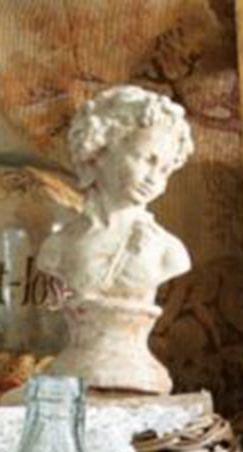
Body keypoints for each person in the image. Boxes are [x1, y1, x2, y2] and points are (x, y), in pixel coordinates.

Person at [38, 85, 194, 303]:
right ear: (100, 150)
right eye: (147, 160)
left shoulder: (167, 251)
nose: (154, 177)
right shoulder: (59, 247)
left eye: (165, 169)